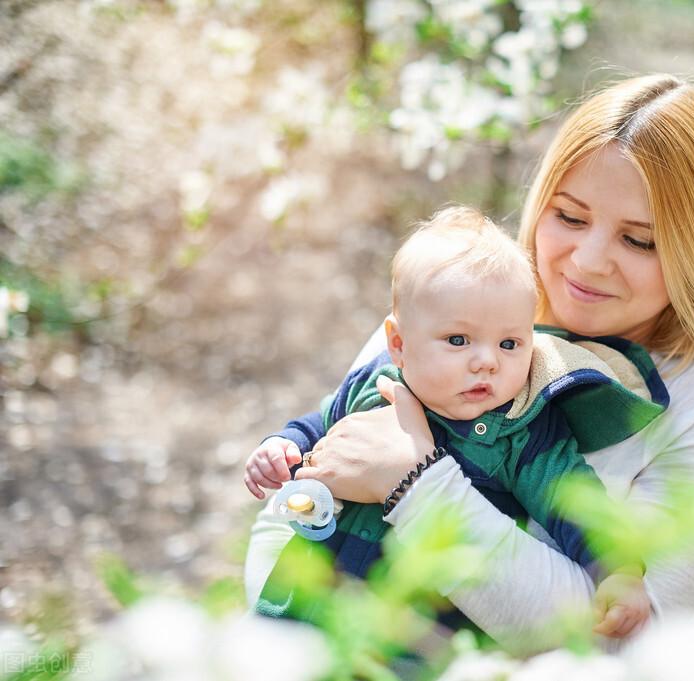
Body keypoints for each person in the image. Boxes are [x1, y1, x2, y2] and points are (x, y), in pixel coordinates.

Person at [244, 74, 694, 650]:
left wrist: (414, 484)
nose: (589, 261)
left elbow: (620, 644)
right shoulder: (455, 302)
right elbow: (282, 517)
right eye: (569, 217)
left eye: (639, 241)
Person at [248, 206, 669, 637]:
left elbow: (576, 502)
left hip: (415, 636)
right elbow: (322, 422)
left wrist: (619, 571)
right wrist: (283, 446)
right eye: (458, 340)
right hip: (305, 610)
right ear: (399, 343)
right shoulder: (376, 383)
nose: (486, 361)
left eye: (509, 343)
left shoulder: (520, 427)